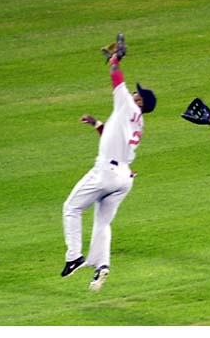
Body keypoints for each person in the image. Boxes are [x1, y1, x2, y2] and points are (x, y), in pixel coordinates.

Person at [61, 34, 156, 291]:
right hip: (124, 177)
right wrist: (96, 124)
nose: (135, 92)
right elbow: (113, 139)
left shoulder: (128, 105)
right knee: (102, 222)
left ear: (141, 101)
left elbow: (117, 79)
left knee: (71, 208)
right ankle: (102, 266)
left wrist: (115, 59)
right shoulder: (138, 121)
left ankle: (74, 258)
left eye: (139, 93)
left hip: (107, 171)